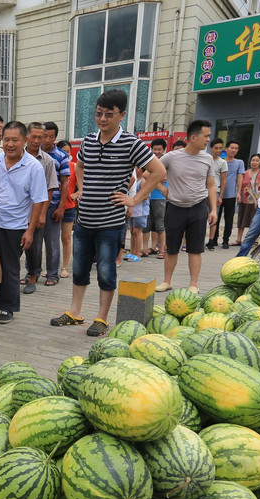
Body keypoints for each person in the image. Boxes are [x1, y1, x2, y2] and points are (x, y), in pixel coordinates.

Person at [49, 89, 164, 337]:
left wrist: (134, 198)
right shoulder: (89, 141)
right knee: (79, 269)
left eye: (109, 114)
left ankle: (101, 318)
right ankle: (75, 313)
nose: (102, 119)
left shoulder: (131, 143)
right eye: (99, 113)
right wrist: (80, 188)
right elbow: (79, 164)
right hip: (84, 219)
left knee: (105, 271)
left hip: (110, 223)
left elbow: (158, 172)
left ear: (121, 115)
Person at [0, 121, 48, 324]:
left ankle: (7, 307)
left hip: (15, 227)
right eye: (6, 139)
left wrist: (30, 231)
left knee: (10, 268)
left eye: (14, 140)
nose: (9, 144)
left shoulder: (34, 167)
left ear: (24, 140)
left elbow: (38, 200)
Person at [157, 119, 217, 293]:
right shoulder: (171, 156)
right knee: (171, 248)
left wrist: (213, 209)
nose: (208, 140)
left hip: (199, 208)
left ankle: (194, 284)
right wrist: (163, 189)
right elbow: (148, 174)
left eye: (209, 137)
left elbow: (211, 185)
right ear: (192, 137)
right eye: (205, 136)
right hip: (175, 208)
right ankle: (167, 281)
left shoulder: (207, 159)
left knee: (195, 249)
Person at [22, 122, 61, 291]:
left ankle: (33, 274)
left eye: (41, 137)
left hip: (37, 208)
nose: (37, 140)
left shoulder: (47, 160)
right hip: (18, 209)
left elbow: (49, 188)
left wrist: (42, 213)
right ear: (27, 137)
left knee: (35, 243)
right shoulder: (17, 156)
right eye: (34, 136)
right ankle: (25, 272)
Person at [38, 122, 71, 282]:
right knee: (34, 242)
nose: (47, 139)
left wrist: (61, 207)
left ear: (55, 137)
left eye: (51, 136)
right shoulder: (31, 154)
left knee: (52, 242)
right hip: (35, 205)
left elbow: (64, 184)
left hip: (53, 204)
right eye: (45, 136)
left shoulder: (61, 156)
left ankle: (52, 274)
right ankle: (33, 273)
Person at [215, 140, 245, 249]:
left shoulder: (239, 162)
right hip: (218, 193)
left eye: (236, 148)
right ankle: (213, 239)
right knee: (216, 218)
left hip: (231, 195)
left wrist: (238, 192)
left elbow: (240, 177)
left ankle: (225, 240)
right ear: (226, 149)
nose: (234, 150)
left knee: (229, 219)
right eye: (232, 148)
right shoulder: (219, 161)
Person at [56, 140, 78, 275]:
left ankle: (64, 267)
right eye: (63, 151)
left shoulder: (74, 166)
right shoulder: (54, 164)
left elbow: (83, 186)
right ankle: (50, 267)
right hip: (54, 206)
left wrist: (74, 195)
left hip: (69, 207)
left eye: (68, 151)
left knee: (66, 238)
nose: (66, 154)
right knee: (51, 240)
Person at [233, 153, 260, 246]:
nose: (254, 162)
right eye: (252, 160)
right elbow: (240, 185)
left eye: (257, 160)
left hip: (256, 201)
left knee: (254, 222)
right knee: (241, 220)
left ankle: (255, 239)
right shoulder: (245, 173)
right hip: (245, 200)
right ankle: (238, 239)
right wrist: (238, 194)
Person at [144, 138, 168, 258]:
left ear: (164, 150)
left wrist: (161, 188)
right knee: (148, 224)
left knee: (160, 225)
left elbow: (147, 175)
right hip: (149, 197)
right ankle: (149, 248)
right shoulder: (150, 161)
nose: (157, 151)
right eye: (154, 149)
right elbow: (144, 175)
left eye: (159, 149)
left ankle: (162, 250)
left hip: (160, 198)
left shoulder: (165, 161)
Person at [204, 139, 227, 249]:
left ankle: (211, 241)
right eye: (216, 148)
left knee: (213, 216)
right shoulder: (204, 159)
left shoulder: (223, 162)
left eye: (220, 148)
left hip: (215, 191)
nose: (218, 150)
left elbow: (223, 181)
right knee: (201, 216)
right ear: (211, 148)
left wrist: (221, 196)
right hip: (202, 191)